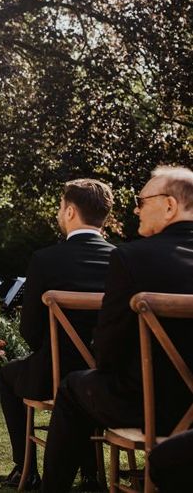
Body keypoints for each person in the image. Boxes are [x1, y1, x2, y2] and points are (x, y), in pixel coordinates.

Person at [40, 165, 193, 492]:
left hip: (149, 407)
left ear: (169, 206)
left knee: (71, 387)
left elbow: (107, 348)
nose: (136, 209)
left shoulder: (132, 258)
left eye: (142, 200)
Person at [0, 179, 115, 490]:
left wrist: (52, 352)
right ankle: (90, 473)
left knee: (7, 375)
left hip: (53, 375)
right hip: (106, 378)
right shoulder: (122, 260)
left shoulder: (45, 260)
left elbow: (31, 331)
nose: (59, 213)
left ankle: (26, 469)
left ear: (71, 211)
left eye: (61, 208)